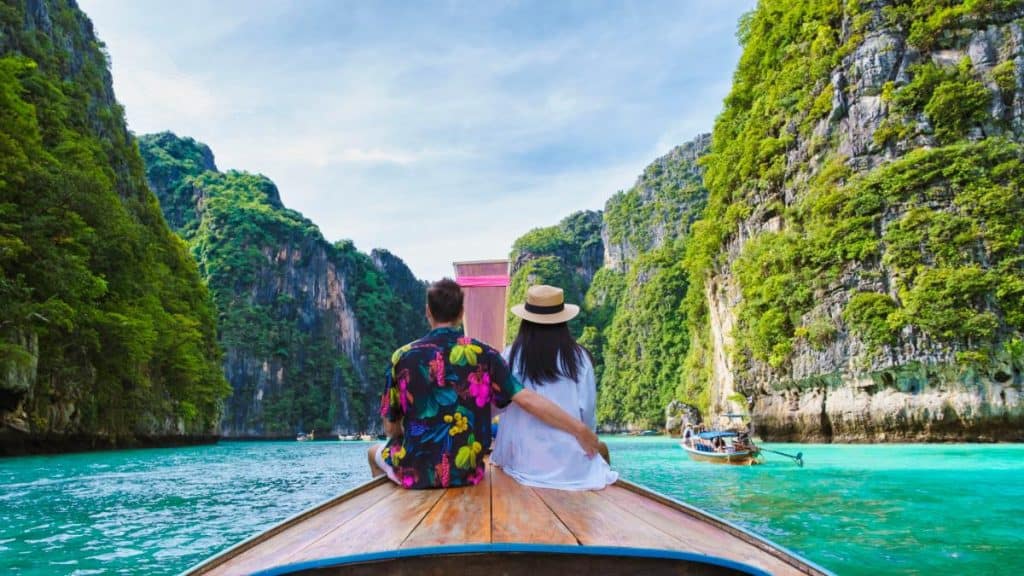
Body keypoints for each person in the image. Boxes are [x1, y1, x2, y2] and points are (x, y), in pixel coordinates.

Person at [368, 279, 600, 489]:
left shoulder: (401, 357)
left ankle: (394, 507)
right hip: (468, 473)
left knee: (373, 452)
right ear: (461, 313)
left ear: (428, 312)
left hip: (415, 474)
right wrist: (580, 430)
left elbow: (390, 428)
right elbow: (523, 399)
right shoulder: (485, 354)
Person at [491, 285, 618, 490]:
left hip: (522, 462)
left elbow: (495, 407)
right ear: (563, 320)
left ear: (525, 320)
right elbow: (587, 414)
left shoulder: (509, 357)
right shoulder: (579, 358)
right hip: (569, 466)